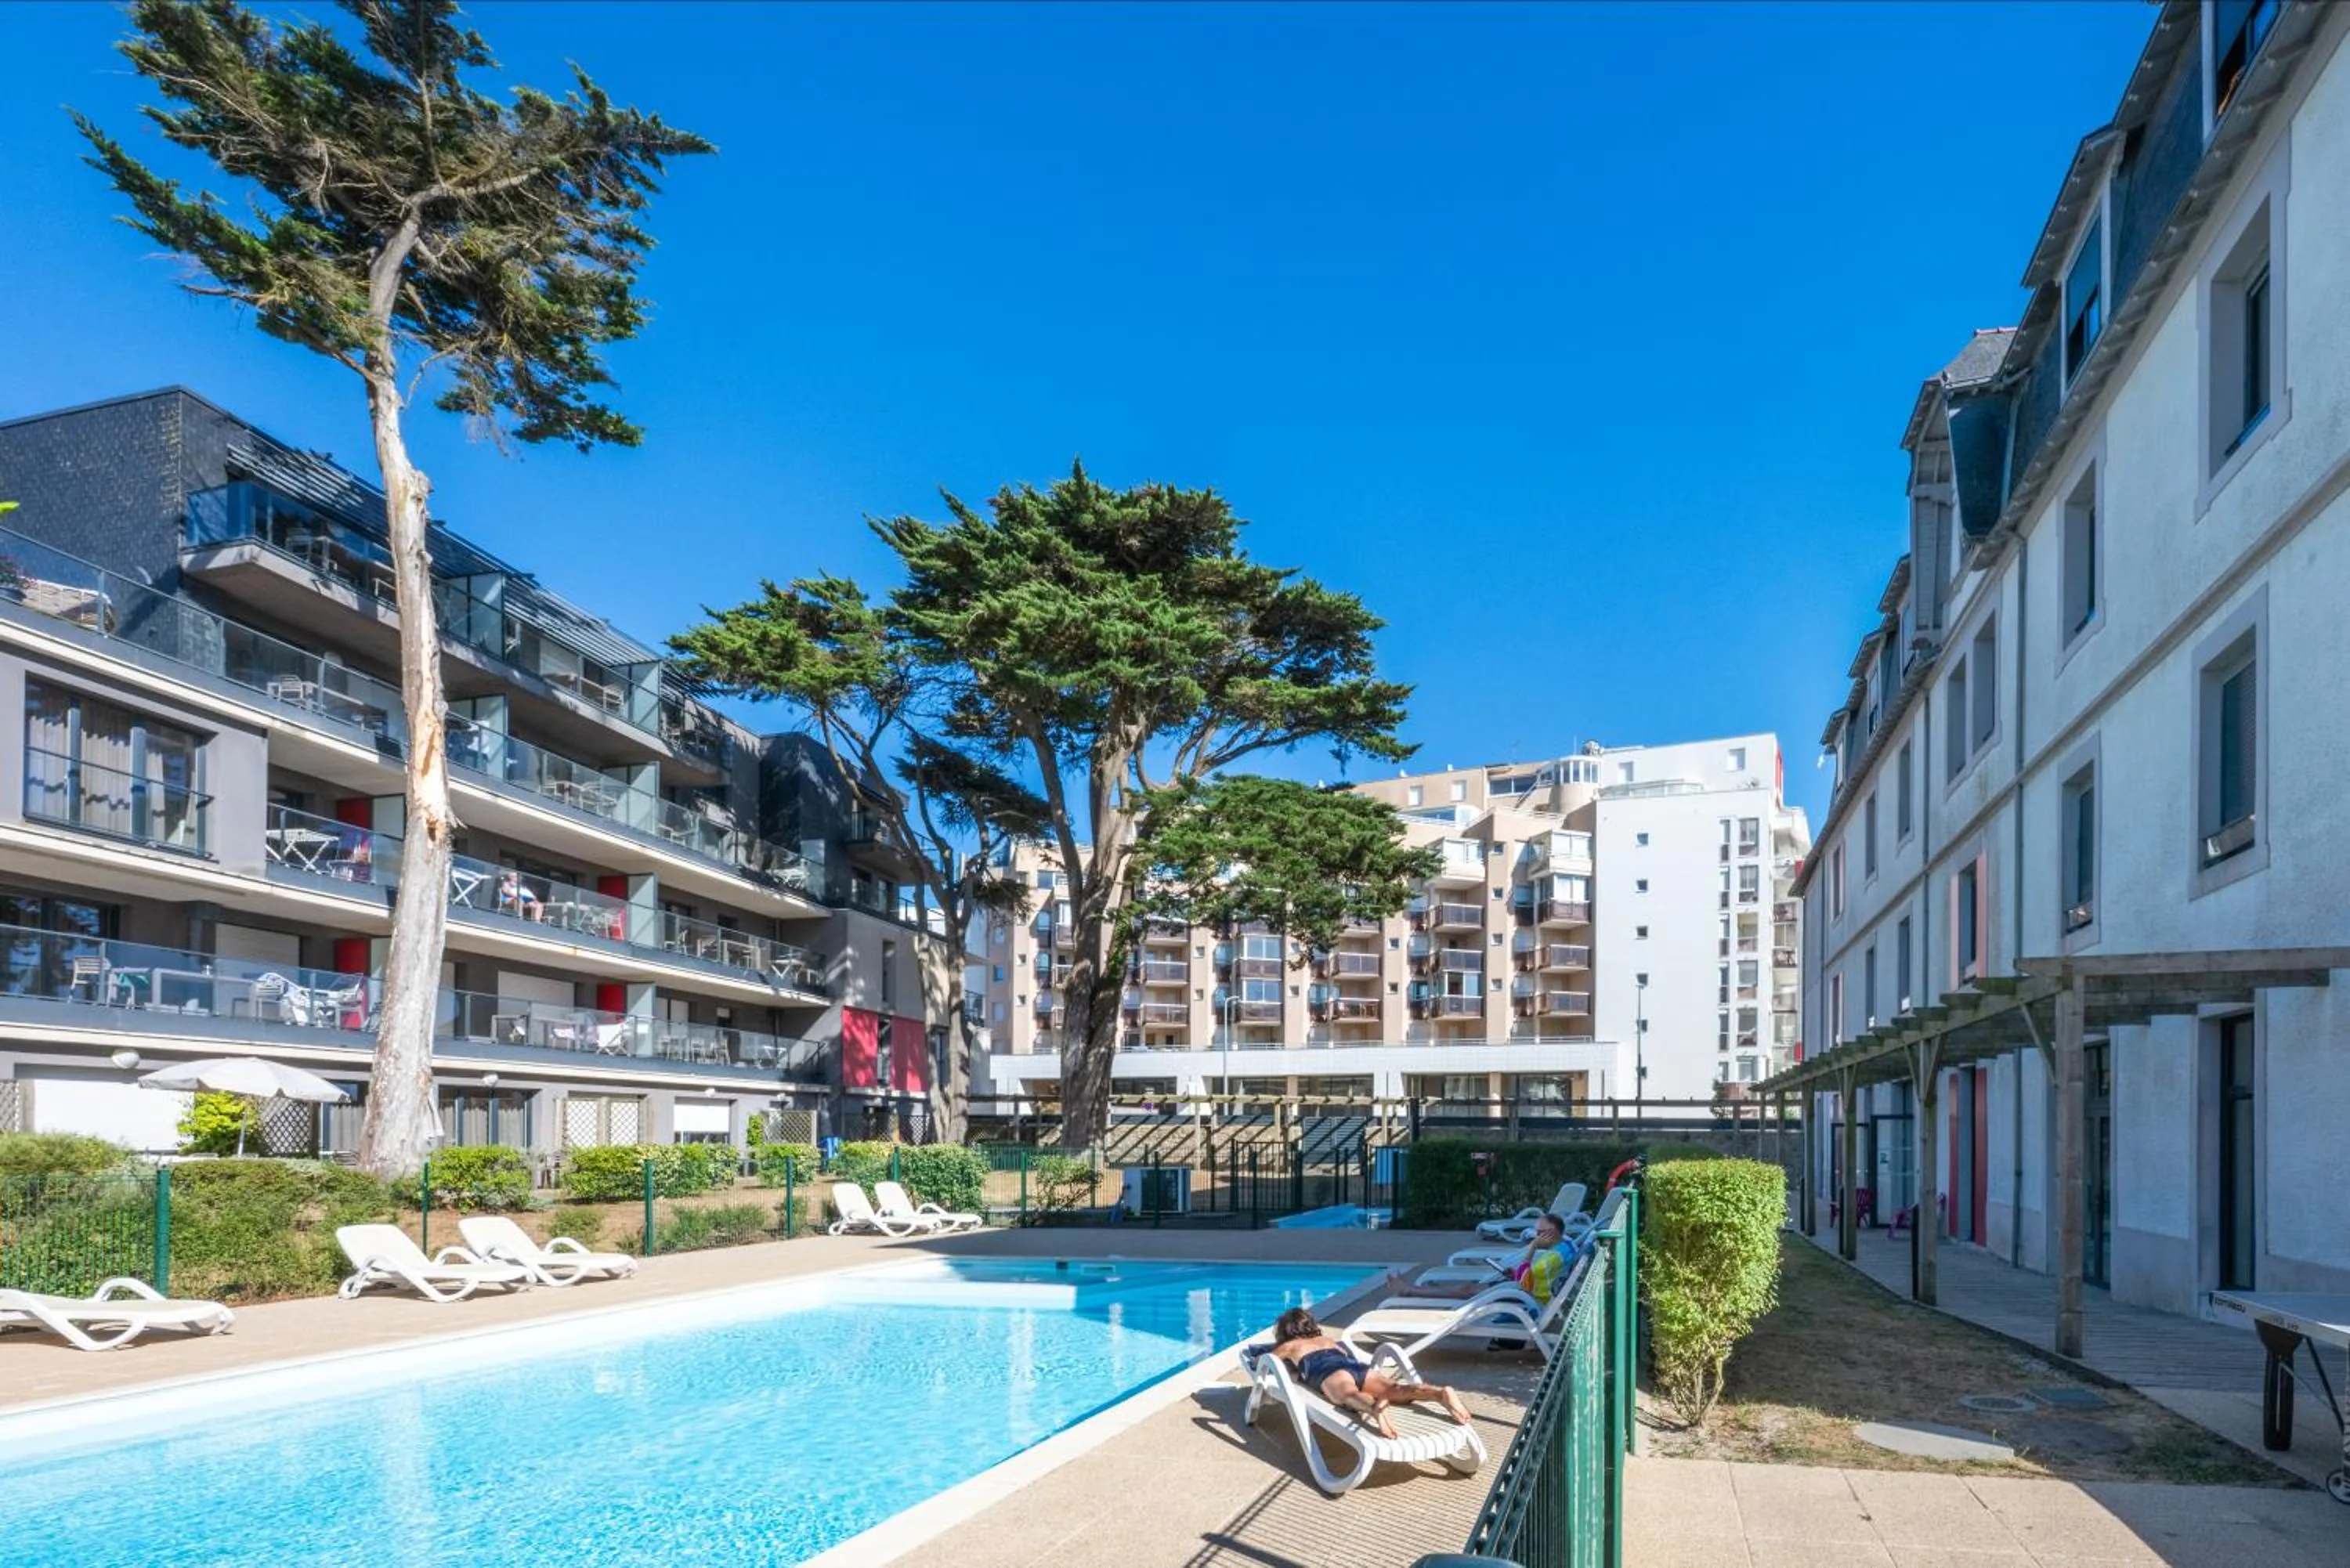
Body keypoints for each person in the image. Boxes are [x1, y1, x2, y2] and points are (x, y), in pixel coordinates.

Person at [1264, 1306, 1472, 1438]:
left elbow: (1266, 1362)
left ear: (1287, 1331)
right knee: (1397, 1388)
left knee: (1348, 1395)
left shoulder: (1290, 1345)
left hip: (1329, 1370)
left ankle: (1374, 1407)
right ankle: (1439, 1393)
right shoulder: (1327, 1340)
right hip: (1356, 1367)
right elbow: (1345, 1355)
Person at [1412, 1212, 1581, 1302]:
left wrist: (1533, 1248)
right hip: (1521, 1288)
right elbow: (1530, 1277)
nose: (1536, 1236)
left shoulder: (1550, 1259)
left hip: (1523, 1297)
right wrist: (1513, 1274)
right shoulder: (1566, 1246)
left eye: (1541, 1233)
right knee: (1468, 1287)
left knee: (1467, 1289)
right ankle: (1423, 1290)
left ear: (1553, 1233)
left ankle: (1413, 1291)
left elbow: (1526, 1283)